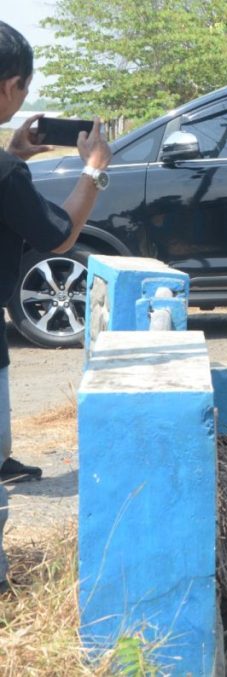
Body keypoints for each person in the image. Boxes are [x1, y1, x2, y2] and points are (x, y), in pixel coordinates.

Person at [0, 20, 111, 584]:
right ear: (11, 86)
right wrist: (94, 169)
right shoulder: (5, 174)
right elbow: (59, 235)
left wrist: (14, 154)